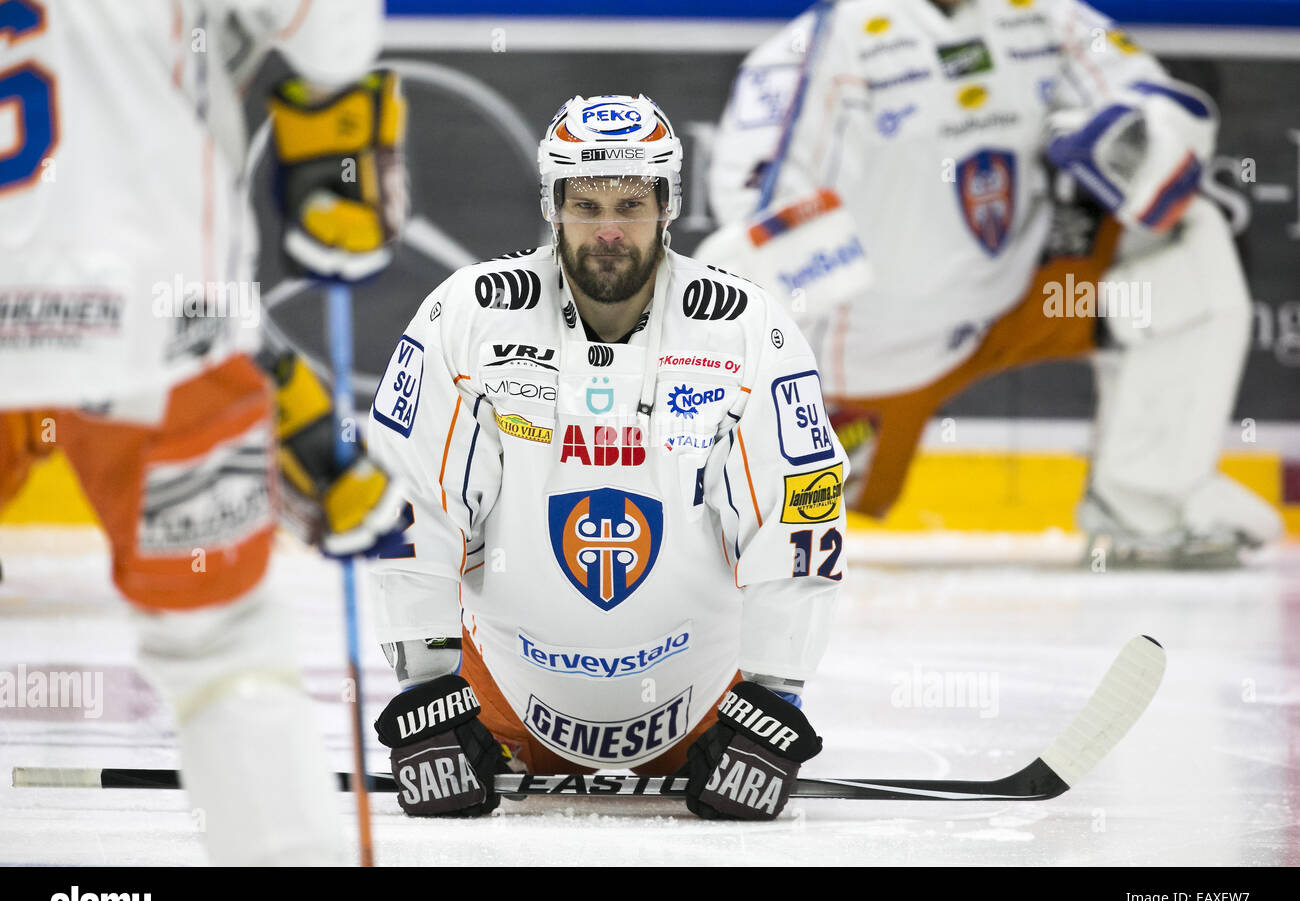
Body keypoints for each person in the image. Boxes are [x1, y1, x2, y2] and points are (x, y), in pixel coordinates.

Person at [0, 0, 407, 864]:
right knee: (218, 641)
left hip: (137, 318)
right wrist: (332, 122)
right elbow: (330, 29)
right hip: (146, 328)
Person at [366, 94, 847, 821]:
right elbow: (408, 496)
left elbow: (801, 511)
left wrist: (772, 704)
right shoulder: (467, 317)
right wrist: (426, 694)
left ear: (668, 204)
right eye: (586, 205)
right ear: (552, 205)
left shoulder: (748, 331)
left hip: (712, 720)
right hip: (497, 716)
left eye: (632, 204)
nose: (610, 231)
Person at [705, 0, 1282, 566]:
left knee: (1190, 240)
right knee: (764, 543)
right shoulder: (818, 50)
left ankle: (1146, 509)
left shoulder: (1045, 15)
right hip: (863, 375)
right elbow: (758, 231)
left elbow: (1161, 104)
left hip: (1010, 312)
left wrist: (1133, 147)